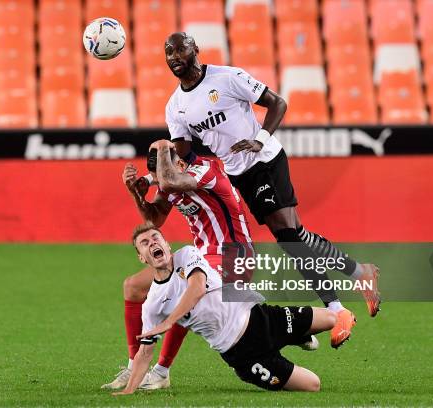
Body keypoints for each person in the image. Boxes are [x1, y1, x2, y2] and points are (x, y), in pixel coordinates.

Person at [162, 32, 380, 348]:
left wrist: (259, 139)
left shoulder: (227, 78)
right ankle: (361, 272)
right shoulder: (175, 106)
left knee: (289, 238)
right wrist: (203, 170)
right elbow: (184, 150)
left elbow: (277, 103)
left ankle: (337, 309)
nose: (174, 57)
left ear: (195, 49)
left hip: (265, 159)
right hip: (239, 174)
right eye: (168, 53)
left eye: (179, 49)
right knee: (296, 235)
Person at [113, 223, 336, 396]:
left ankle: (296, 335)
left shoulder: (187, 255)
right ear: (142, 257)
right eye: (145, 242)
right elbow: (145, 352)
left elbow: (197, 287)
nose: (152, 243)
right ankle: (294, 337)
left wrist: (170, 321)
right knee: (313, 385)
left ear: (167, 244)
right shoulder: (153, 304)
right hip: (242, 353)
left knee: (331, 320)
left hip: (259, 317)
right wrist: (129, 390)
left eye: (156, 237)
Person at [102, 140, 254, 390]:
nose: (159, 183)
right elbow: (155, 219)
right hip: (203, 255)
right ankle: (133, 368)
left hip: (233, 255)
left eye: (160, 178)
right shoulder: (170, 180)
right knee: (133, 287)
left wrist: (162, 149)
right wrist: (137, 195)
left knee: (187, 294)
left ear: (181, 164)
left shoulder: (206, 170)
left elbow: (169, 181)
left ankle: (161, 372)